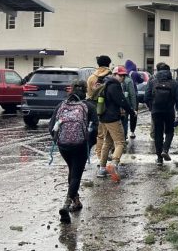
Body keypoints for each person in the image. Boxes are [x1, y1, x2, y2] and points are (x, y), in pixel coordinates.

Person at [49, 80, 97, 224]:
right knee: (76, 174)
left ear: (71, 90)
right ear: (85, 90)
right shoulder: (89, 106)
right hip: (80, 145)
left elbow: (51, 126)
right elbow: (95, 126)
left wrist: (59, 141)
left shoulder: (61, 105)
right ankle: (66, 204)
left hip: (63, 145)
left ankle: (76, 201)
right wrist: (89, 142)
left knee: (72, 170)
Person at [144, 62, 178, 166]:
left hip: (156, 111)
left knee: (158, 133)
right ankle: (165, 150)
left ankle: (159, 159)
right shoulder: (174, 83)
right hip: (169, 111)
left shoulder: (152, 81)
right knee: (169, 131)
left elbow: (146, 97)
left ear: (158, 71)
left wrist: (151, 108)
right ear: (169, 71)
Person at [95, 66, 130, 181]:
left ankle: (102, 168)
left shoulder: (105, 83)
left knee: (107, 142)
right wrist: (131, 111)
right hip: (112, 118)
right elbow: (121, 101)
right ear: (115, 75)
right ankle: (114, 164)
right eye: (120, 75)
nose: (122, 78)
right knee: (120, 142)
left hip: (103, 118)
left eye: (124, 76)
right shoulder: (114, 86)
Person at [87, 55, 113, 166]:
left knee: (100, 133)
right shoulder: (111, 76)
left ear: (98, 64)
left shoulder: (91, 77)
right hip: (108, 107)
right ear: (109, 64)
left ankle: (99, 155)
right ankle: (104, 155)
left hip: (94, 107)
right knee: (109, 133)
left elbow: (89, 93)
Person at [114, 65, 138, 141]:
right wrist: (134, 108)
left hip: (116, 106)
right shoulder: (129, 81)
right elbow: (132, 94)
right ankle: (123, 139)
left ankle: (118, 140)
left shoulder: (113, 80)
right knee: (124, 123)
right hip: (125, 105)